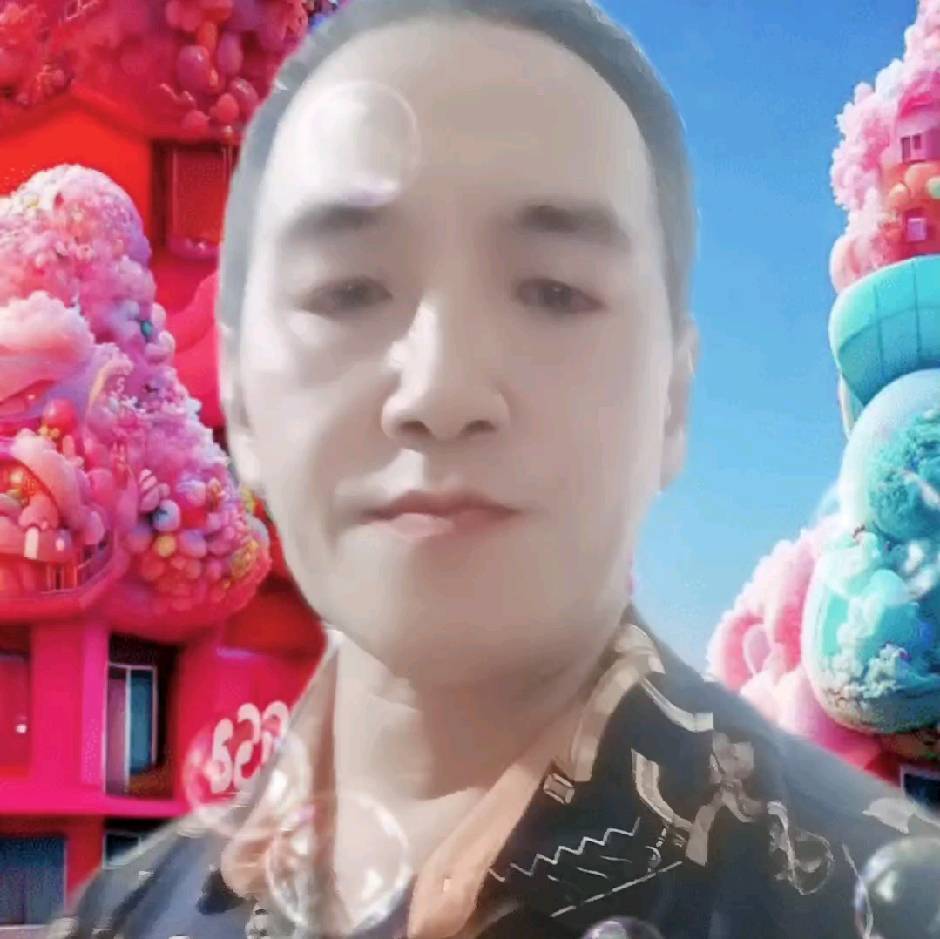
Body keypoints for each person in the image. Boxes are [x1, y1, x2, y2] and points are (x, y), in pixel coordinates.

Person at [46, 0, 940, 937]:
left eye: (551, 292)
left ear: (670, 397)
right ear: (245, 394)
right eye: (350, 290)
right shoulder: (125, 914)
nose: (440, 388)